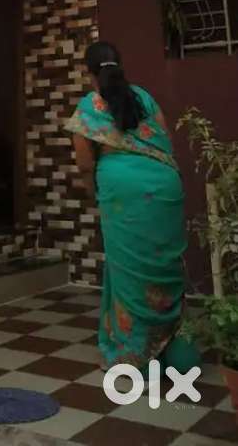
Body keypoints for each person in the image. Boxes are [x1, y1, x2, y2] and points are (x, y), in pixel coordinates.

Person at [65, 40, 199, 374]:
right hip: (165, 187)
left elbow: (84, 162)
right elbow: (165, 140)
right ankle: (175, 351)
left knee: (128, 271)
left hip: (122, 192)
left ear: (88, 72)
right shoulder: (144, 97)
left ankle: (134, 355)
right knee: (164, 266)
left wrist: (94, 192)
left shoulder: (90, 105)